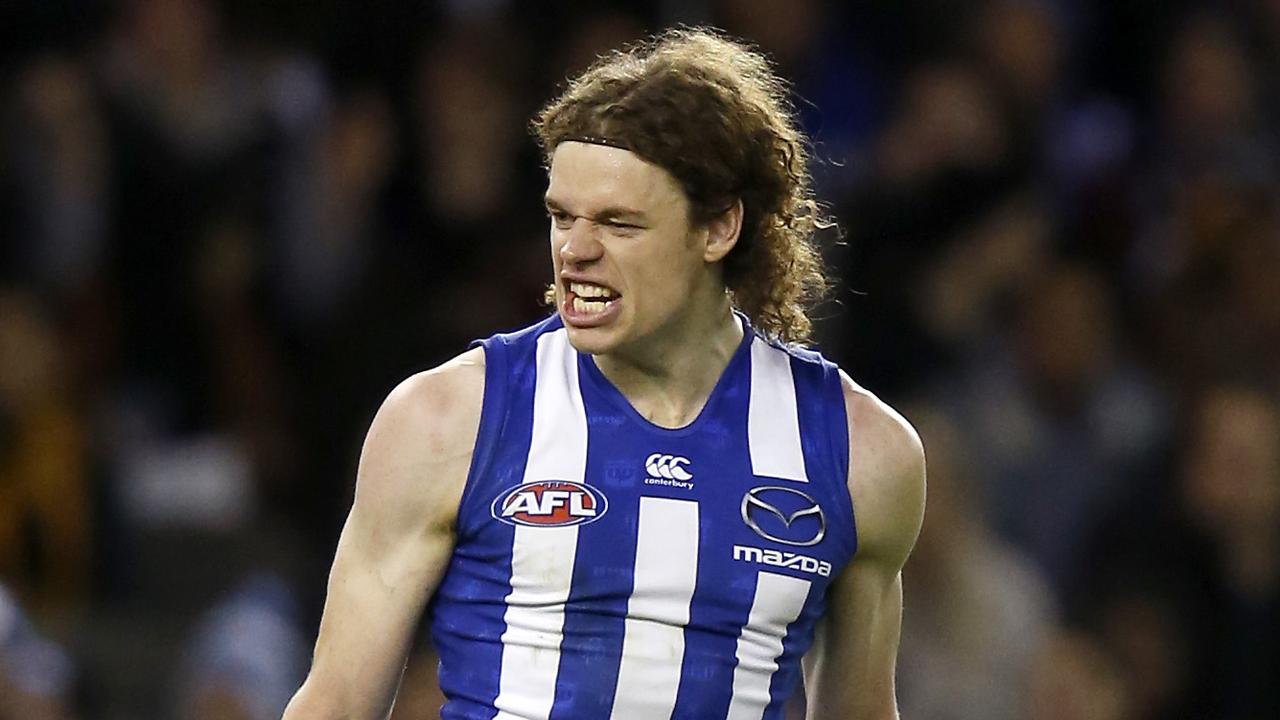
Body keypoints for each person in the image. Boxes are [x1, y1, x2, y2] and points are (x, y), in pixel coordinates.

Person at [283, 28, 925, 720]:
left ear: (719, 229)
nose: (575, 251)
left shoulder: (862, 453)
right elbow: (337, 703)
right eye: (563, 216)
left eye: (619, 223)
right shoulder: (448, 420)